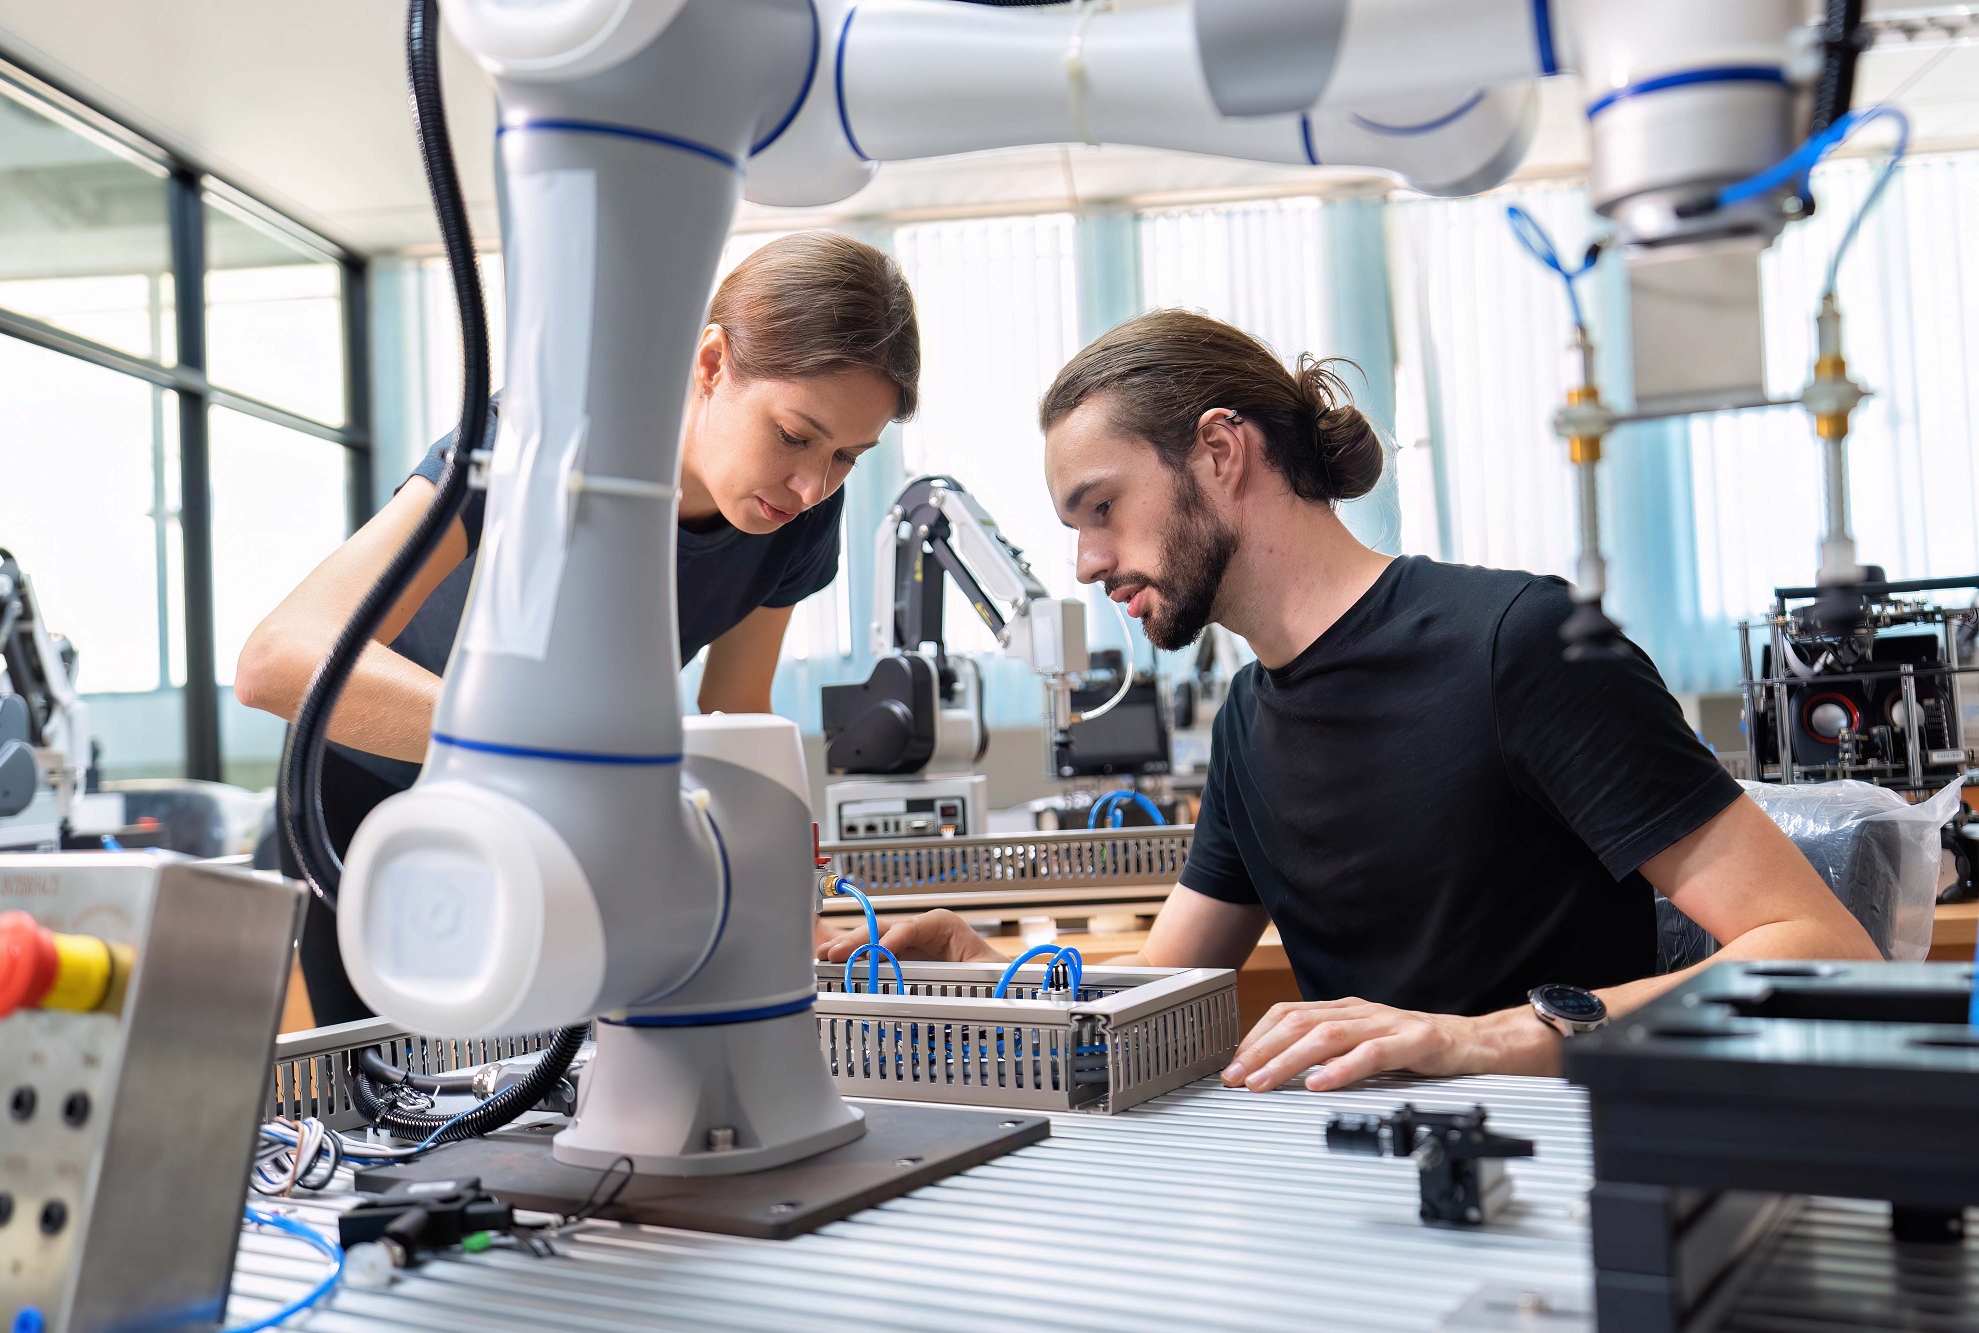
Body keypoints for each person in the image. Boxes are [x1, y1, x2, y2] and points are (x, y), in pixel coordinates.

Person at [820, 307, 1877, 1092]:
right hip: (1355, 1183)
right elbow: (1157, 989)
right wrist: (981, 962)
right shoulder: (1248, 716)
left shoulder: (1520, 643)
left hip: (1558, 1171)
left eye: (1101, 508)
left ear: (1220, 451)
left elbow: (1821, 949)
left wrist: (1477, 1036)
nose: (1088, 564)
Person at [239, 231, 919, 1023]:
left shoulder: (801, 518)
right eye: (795, 435)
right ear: (710, 364)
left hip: (547, 811)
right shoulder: (539, 440)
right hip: (370, 802)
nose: (811, 483)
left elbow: (737, 711)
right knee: (398, 1098)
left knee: (546, 1086)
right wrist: (549, 743)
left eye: (848, 457)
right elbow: (278, 660)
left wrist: (773, 896)